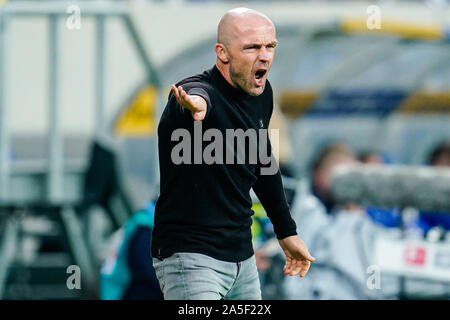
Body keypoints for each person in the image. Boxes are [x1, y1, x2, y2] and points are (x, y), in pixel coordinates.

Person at [151, 7, 315, 300]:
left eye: (270, 46)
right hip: (191, 259)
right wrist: (195, 107)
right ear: (222, 53)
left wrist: (286, 233)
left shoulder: (262, 94)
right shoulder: (197, 93)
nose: (264, 55)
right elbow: (196, 96)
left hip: (243, 260)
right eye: (252, 47)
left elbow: (263, 165)